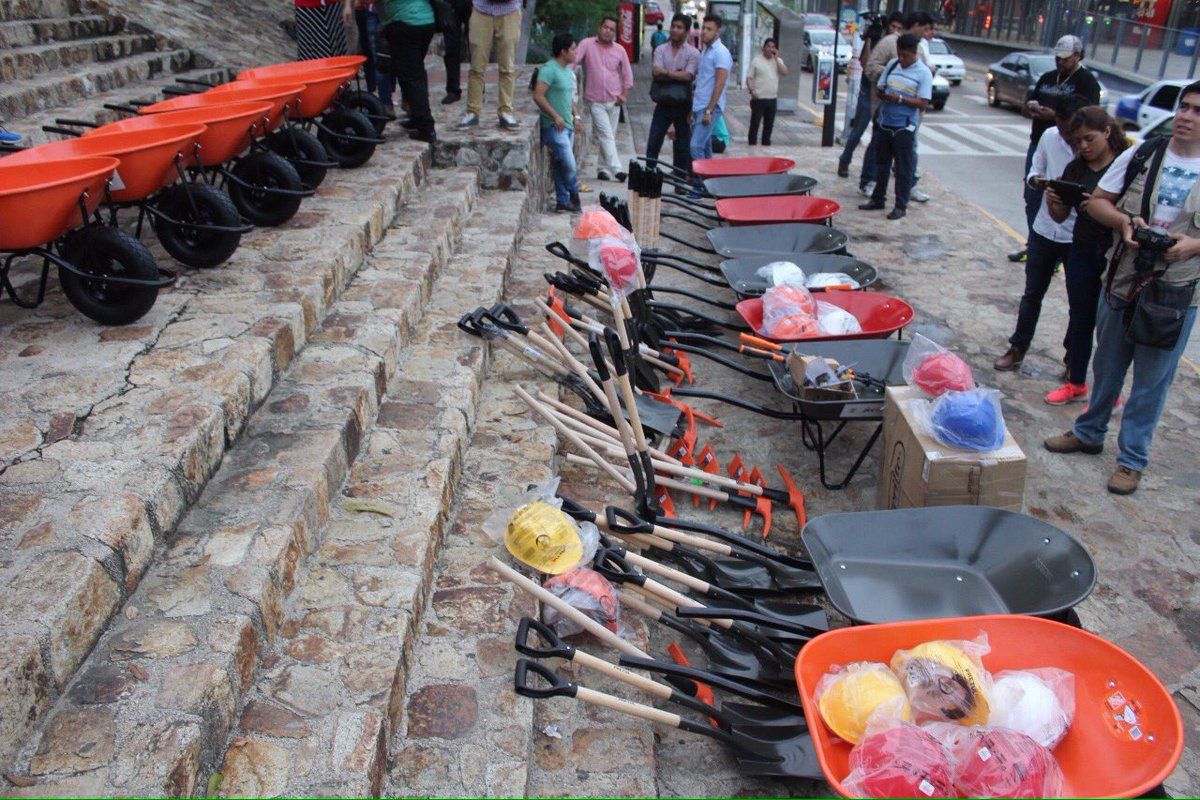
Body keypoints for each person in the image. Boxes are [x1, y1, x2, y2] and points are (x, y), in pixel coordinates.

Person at [1045, 81, 1200, 495]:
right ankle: (1089, 432)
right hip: (1125, 275)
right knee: (1107, 363)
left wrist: (1193, 245)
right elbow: (1096, 201)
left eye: (1197, 111)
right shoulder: (1145, 152)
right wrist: (1125, 223)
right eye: (1184, 107)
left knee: (1152, 379)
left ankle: (1131, 461)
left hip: (1175, 289)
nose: (1185, 116)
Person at [993, 94, 1089, 371]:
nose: (1067, 136)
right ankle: (1018, 347)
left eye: (1071, 130)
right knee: (1032, 293)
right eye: (1062, 128)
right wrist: (1040, 182)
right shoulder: (1049, 137)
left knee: (1078, 301)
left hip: (1077, 235)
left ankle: (1073, 359)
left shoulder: (1090, 146)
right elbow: (1036, 169)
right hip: (1046, 228)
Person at [1040, 106, 1127, 405]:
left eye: (1089, 139)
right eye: (1077, 141)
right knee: (1080, 318)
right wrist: (1055, 201)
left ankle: (1108, 390)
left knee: (1109, 326)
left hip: (1115, 254)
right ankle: (1076, 381)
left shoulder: (1124, 168)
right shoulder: (1076, 169)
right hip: (1081, 250)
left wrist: (1103, 209)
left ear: (1107, 132)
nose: (1084, 147)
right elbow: (1061, 216)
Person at [1010, 34, 1101, 263]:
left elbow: (1091, 117)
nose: (1060, 63)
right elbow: (1026, 104)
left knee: (1067, 198)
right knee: (1033, 195)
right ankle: (1035, 244)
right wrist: (1031, 108)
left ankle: (1061, 251)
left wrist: (1054, 117)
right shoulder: (1049, 77)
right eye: (1058, 58)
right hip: (1042, 140)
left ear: (1078, 57)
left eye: (1065, 59)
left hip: (1071, 145)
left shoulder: (1086, 81)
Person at [856, 12, 933, 198]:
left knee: (907, 155)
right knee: (878, 149)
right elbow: (871, 67)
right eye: (926, 28)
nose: (929, 33)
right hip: (885, 112)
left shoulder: (920, 48)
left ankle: (907, 190)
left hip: (909, 118)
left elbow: (923, 89)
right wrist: (893, 81)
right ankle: (869, 182)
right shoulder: (890, 43)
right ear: (915, 25)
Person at [837, 11, 902, 178]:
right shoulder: (879, 41)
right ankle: (845, 160)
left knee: (882, 135)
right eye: (893, 27)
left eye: (899, 28)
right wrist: (869, 40)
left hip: (884, 94)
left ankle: (880, 170)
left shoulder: (897, 44)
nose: (895, 31)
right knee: (858, 130)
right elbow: (866, 65)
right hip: (868, 91)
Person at [575, 16, 635, 181]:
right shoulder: (587, 44)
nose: (608, 31)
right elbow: (574, 62)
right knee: (606, 134)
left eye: (612, 29)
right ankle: (617, 169)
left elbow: (627, 75)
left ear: (615, 33)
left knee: (608, 135)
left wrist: (624, 94)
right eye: (605, 27)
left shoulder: (619, 50)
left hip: (614, 100)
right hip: (595, 101)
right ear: (599, 28)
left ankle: (603, 169)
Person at [534, 33, 582, 213]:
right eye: (573, 49)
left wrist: (576, 117)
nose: (576, 52)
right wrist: (555, 116)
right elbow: (538, 95)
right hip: (554, 128)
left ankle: (563, 200)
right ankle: (574, 193)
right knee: (569, 164)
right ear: (563, 51)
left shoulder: (569, 73)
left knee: (561, 164)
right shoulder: (549, 70)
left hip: (567, 126)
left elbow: (569, 99)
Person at [646, 13, 699, 176]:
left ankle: (680, 179)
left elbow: (689, 76)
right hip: (663, 103)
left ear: (687, 31)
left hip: (683, 104)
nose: (675, 30)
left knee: (682, 143)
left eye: (679, 27)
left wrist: (666, 73)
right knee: (654, 140)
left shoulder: (693, 53)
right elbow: (656, 71)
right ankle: (649, 174)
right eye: (673, 26)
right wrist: (677, 74)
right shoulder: (661, 49)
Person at [459, 0, 523, 129]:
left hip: (510, 10)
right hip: (481, 9)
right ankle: (472, 112)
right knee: (476, 66)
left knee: (507, 66)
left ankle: (506, 111)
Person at [381, 0, 437, 142]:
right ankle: (417, 117)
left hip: (405, 22)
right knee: (413, 72)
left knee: (412, 76)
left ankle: (426, 127)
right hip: (425, 20)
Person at [690, 14, 732, 166]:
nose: (704, 32)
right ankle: (710, 183)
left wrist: (709, 110)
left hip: (709, 108)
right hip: (700, 105)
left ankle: (702, 185)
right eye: (703, 28)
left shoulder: (720, 52)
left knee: (695, 146)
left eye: (709, 29)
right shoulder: (706, 51)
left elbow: (720, 84)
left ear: (717, 32)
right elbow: (702, 82)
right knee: (706, 146)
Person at [354, 1, 397, 114]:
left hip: (393, 12)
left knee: (387, 58)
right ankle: (386, 103)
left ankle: (389, 103)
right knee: (380, 58)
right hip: (376, 11)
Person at [747, 38, 787, 146]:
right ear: (764, 48)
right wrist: (751, 90)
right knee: (755, 124)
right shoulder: (756, 61)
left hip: (772, 98)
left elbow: (784, 72)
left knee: (769, 125)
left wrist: (777, 58)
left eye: (773, 47)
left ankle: (766, 145)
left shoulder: (777, 61)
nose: (770, 49)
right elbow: (749, 78)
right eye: (768, 46)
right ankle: (751, 146)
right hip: (759, 98)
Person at [440, 0, 471, 104]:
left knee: (476, 47)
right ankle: (453, 90)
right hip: (450, 4)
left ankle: (478, 86)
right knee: (451, 48)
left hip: (472, 4)